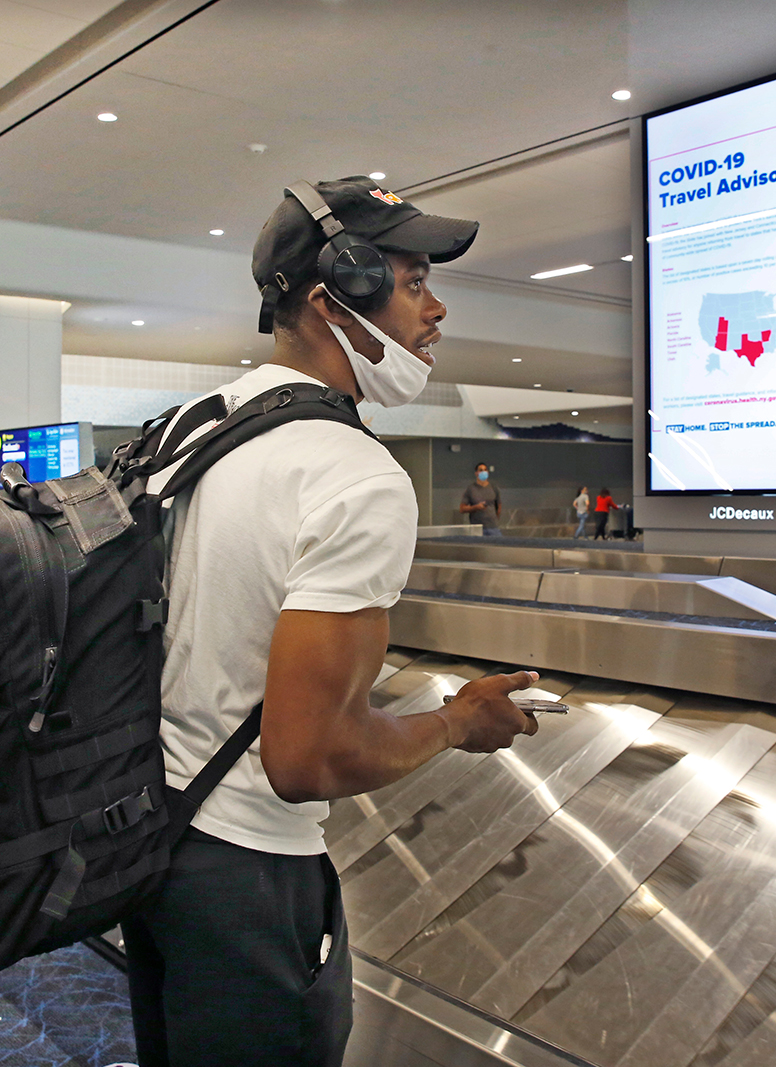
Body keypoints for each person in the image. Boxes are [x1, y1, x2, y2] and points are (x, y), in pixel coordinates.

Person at [125, 177, 540, 1067]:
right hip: (249, 873)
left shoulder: (193, 428)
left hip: (155, 845)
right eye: (414, 279)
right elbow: (307, 757)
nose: (436, 308)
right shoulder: (354, 476)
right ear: (336, 291)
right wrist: (459, 720)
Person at [461, 462, 503, 536]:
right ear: (476, 473)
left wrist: (494, 519)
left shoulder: (494, 488)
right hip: (477, 528)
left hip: (493, 527)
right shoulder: (471, 489)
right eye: (481, 470)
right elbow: (462, 509)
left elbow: (498, 506)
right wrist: (475, 507)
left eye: (485, 470)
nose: (483, 472)